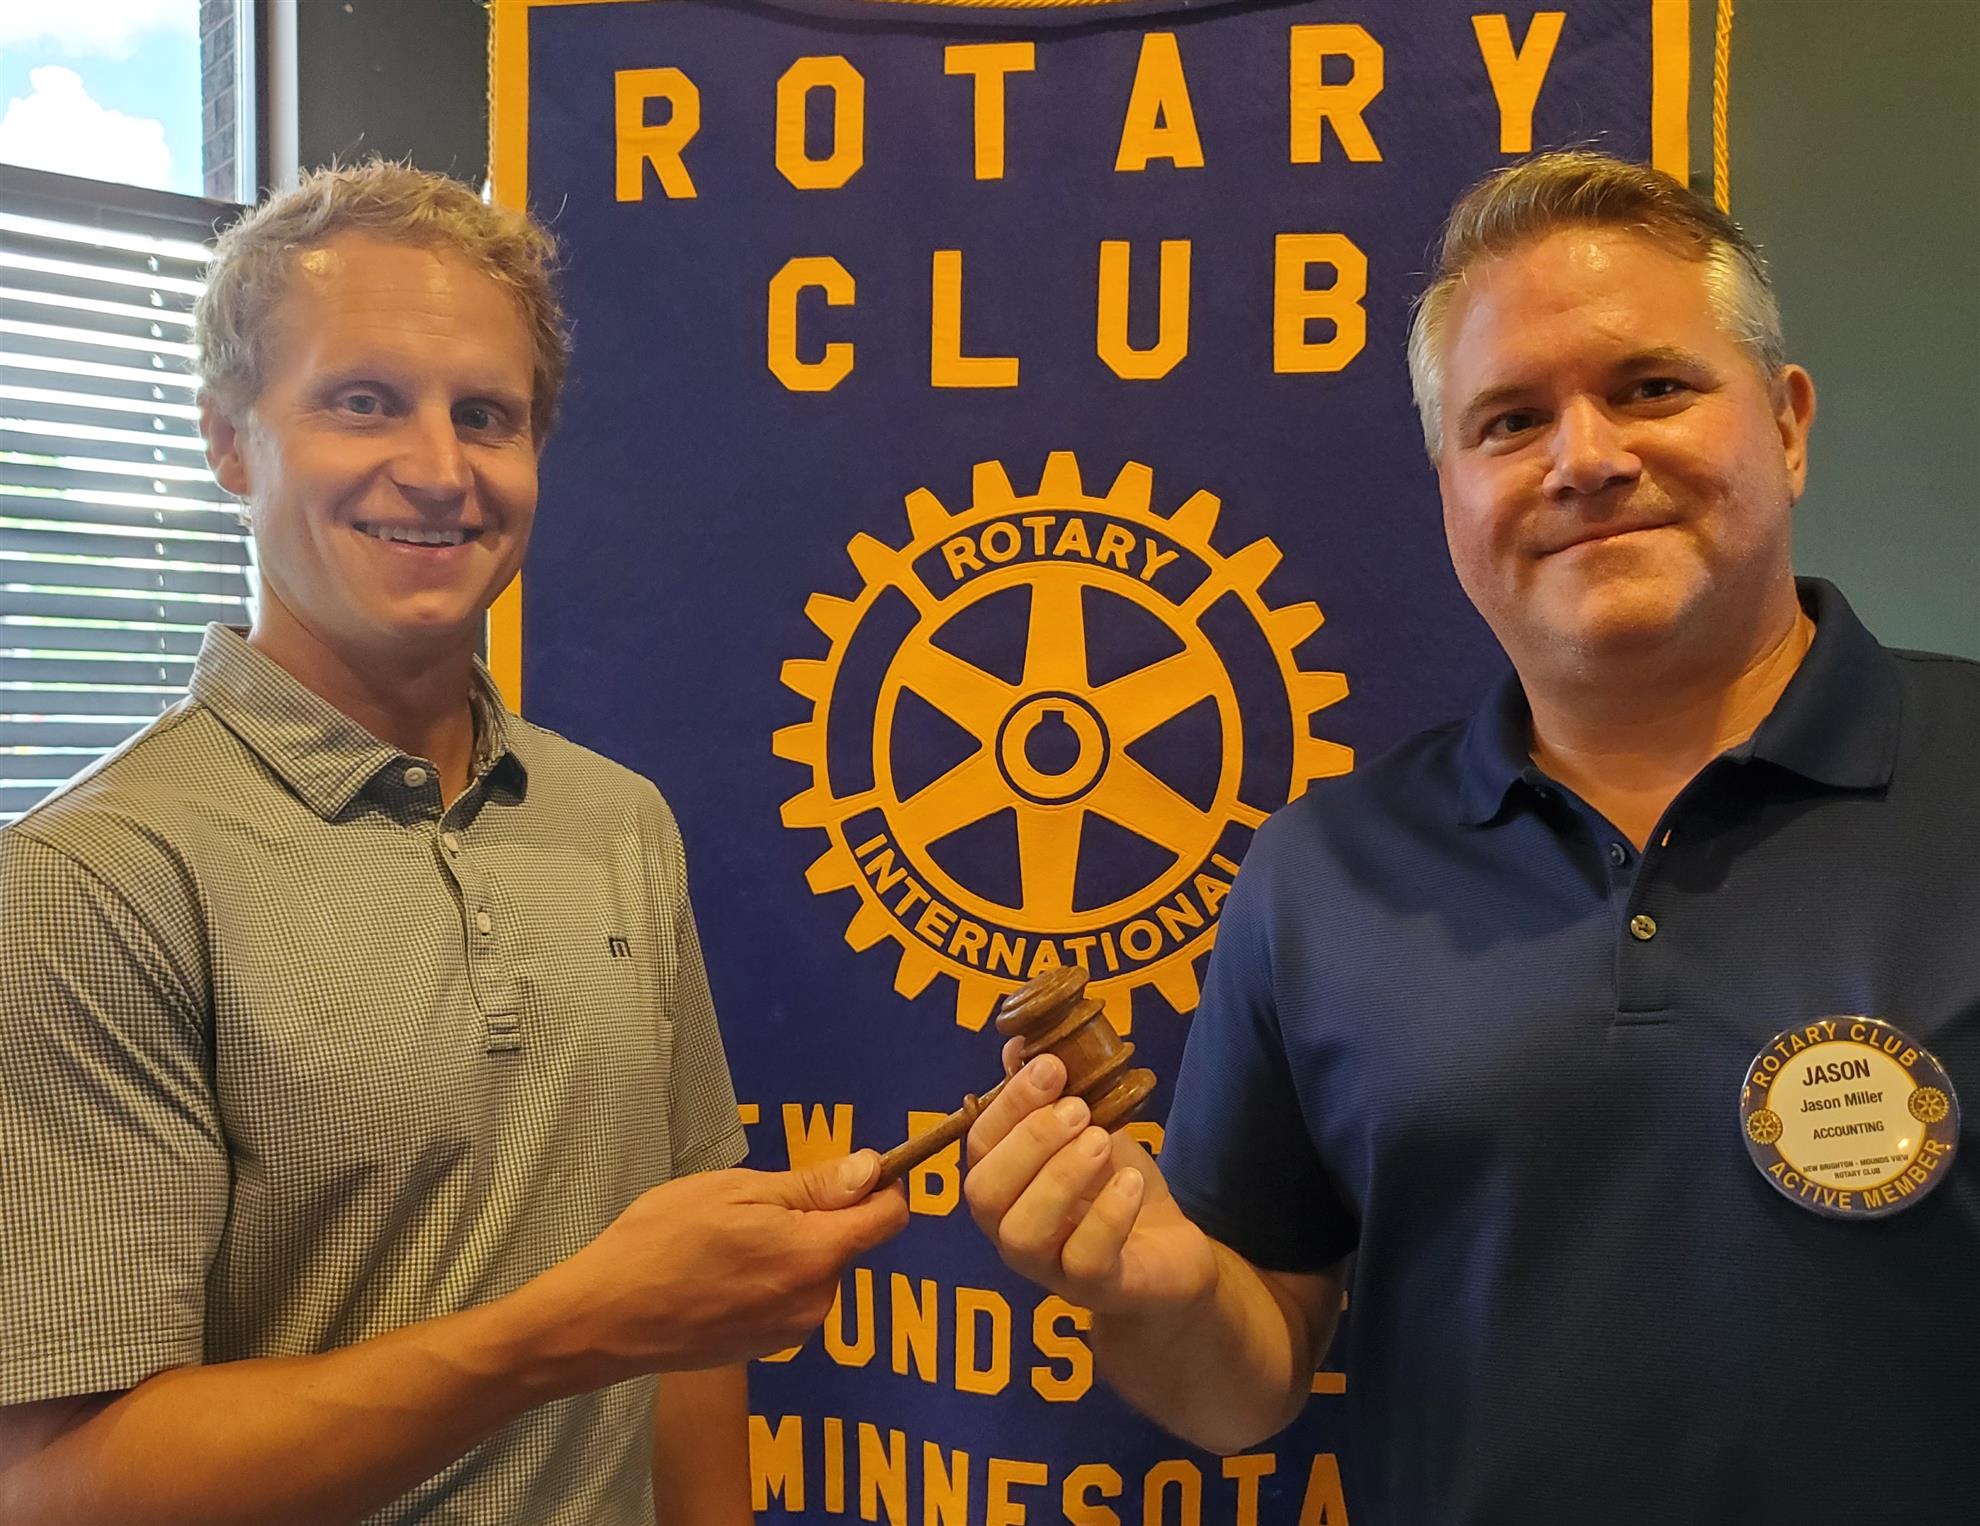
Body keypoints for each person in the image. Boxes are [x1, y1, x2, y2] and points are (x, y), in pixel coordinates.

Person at [962, 150, 1979, 1521]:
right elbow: (1240, 1389)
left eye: (1652, 387)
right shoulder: (1321, 873)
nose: (1588, 459)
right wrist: (1157, 1290)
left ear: (1787, 427)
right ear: (1449, 491)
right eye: (1510, 421)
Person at [0, 162, 906, 1525]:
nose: (437, 471)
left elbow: (688, 1311)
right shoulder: (96, 879)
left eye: (486, 415)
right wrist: (559, 1334)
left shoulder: (619, 823)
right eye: (362, 402)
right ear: (230, 442)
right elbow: (59, 1488)